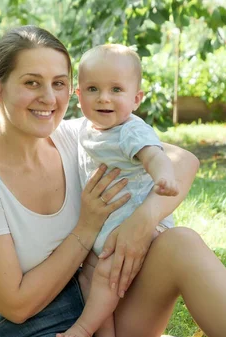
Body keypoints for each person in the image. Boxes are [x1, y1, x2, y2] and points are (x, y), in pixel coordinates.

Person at [0, 25, 226, 337]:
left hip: (97, 304)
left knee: (180, 242)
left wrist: (141, 223)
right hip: (29, 325)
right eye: (32, 83)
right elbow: (16, 307)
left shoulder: (76, 135)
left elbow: (183, 162)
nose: (49, 98)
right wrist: (86, 228)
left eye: (59, 83)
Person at [60, 44, 180, 337]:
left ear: (136, 99)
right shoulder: (87, 129)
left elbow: (154, 155)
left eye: (116, 89)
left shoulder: (130, 130)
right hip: (108, 227)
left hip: (135, 224)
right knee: (87, 277)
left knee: (105, 275)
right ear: (78, 96)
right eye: (92, 89)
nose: (103, 98)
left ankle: (83, 329)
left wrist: (163, 176)